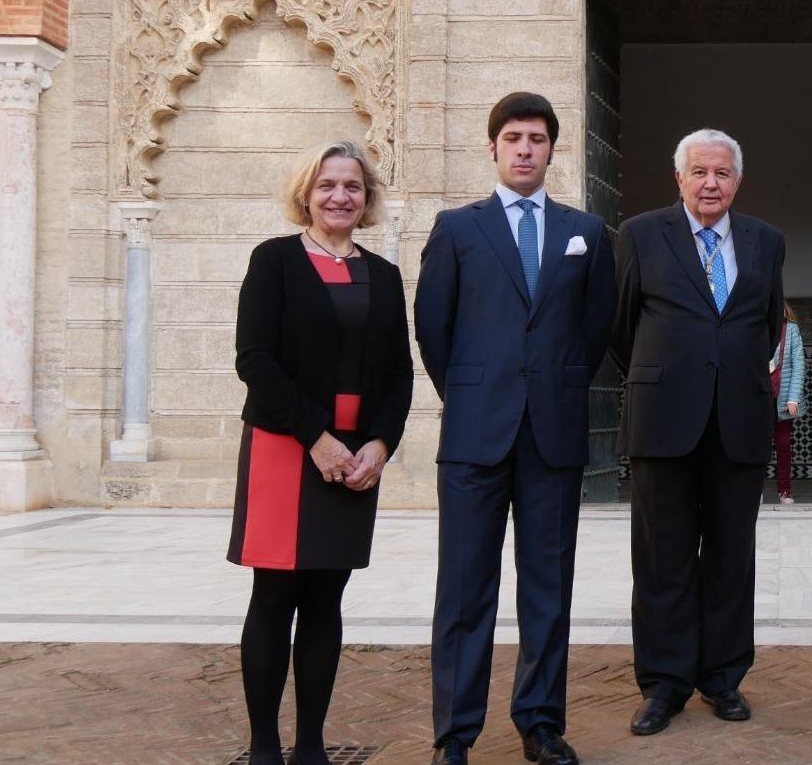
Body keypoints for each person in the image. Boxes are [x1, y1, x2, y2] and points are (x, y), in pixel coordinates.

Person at [415, 92, 616, 765]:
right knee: (466, 588)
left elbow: (596, 331)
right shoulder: (456, 229)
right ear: (493, 148)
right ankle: (455, 733)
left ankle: (539, 722)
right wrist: (472, 394)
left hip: (552, 436)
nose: (525, 148)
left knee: (547, 588)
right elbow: (433, 328)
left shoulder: (585, 231)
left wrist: (552, 385)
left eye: (536, 138)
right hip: (475, 435)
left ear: (552, 149)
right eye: (513, 138)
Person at [229, 139, 413, 765]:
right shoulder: (274, 261)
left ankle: (310, 745)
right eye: (329, 184)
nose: (341, 196)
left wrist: (381, 444)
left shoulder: (384, 276)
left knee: (326, 600)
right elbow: (254, 359)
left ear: (367, 201)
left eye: (353, 187)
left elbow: (398, 374)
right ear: (306, 193)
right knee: (275, 597)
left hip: (356, 460)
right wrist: (316, 438)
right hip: (287, 448)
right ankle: (263, 746)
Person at [610, 128, 787, 736]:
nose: (711, 183)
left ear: (738, 180)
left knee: (731, 558)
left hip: (737, 420)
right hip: (663, 421)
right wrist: (668, 375)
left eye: (722, 173)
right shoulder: (639, 234)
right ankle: (663, 683)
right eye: (699, 172)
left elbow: (767, 327)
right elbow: (620, 327)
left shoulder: (767, 241)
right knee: (663, 557)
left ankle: (722, 678)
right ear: (679, 177)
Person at [771, 303, 805, 504]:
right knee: (755, 446)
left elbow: (799, 365)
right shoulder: (756, 326)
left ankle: (784, 491)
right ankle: (753, 491)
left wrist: (793, 398)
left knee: (783, 445)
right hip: (758, 398)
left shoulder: (790, 329)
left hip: (783, 399)